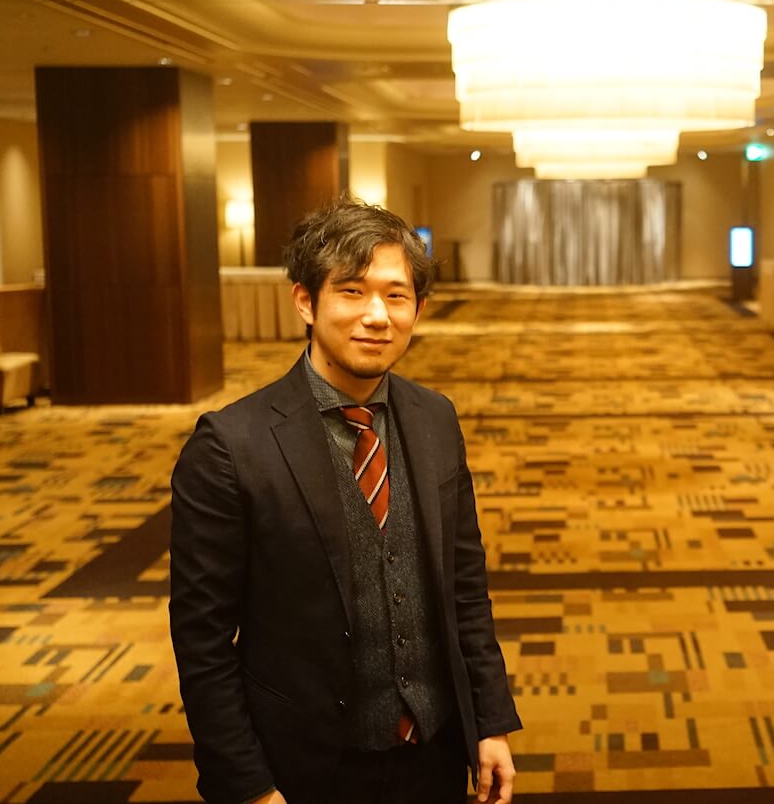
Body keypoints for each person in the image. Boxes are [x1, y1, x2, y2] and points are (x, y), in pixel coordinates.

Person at [170, 199, 521, 804]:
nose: (377, 316)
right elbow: (202, 640)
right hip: (304, 768)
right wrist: (248, 785)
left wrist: (489, 721)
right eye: (352, 291)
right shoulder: (230, 445)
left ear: (418, 309)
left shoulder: (434, 418)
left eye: (396, 296)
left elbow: (464, 587)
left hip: (433, 755)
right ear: (306, 302)